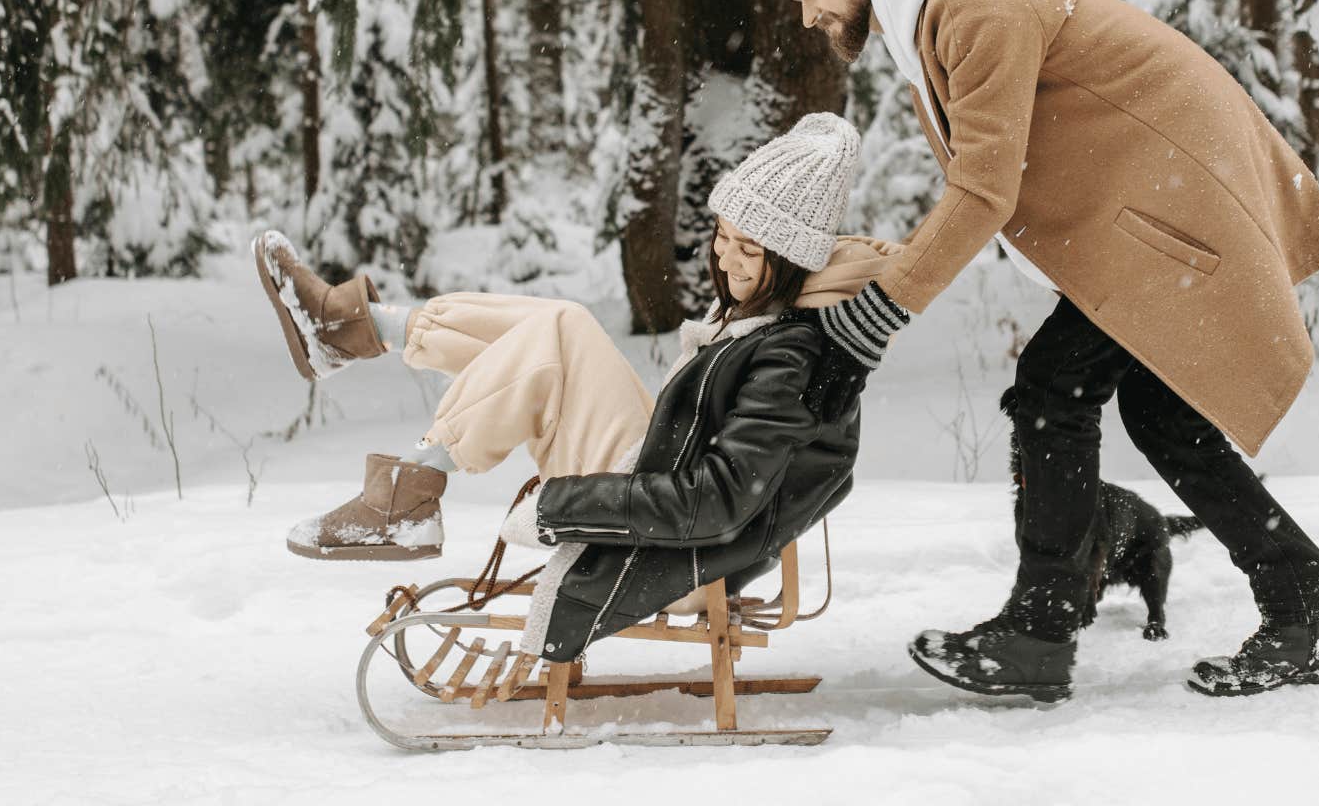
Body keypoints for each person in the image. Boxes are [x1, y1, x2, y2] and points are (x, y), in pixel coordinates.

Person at [774, 0, 1319, 699]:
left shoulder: (973, 0)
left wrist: (870, 322)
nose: (807, 14)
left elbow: (983, 191)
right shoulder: (941, 11)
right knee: (1161, 414)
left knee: (1055, 390)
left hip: (1173, 200)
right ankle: (1303, 611)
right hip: (1157, 202)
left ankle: (1040, 632)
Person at [252, 113, 900, 661]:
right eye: (722, 239)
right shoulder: (776, 316)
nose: (726, 261)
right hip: (671, 509)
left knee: (556, 339)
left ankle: (405, 493)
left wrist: (565, 504)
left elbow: (718, 503)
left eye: (749, 251)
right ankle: (352, 329)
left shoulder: (792, 355)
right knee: (558, 326)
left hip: (686, 558)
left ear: (791, 257)